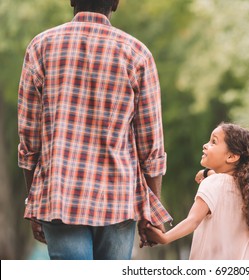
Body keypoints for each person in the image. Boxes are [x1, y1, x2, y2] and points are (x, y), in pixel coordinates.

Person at [17, 0, 171, 260]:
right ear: (116, 3)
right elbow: (151, 145)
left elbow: (29, 140)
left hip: (60, 199)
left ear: (71, 1)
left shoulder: (40, 47)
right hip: (119, 201)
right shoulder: (136, 53)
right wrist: (151, 210)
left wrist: (34, 202)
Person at [146, 122, 249, 259]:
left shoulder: (212, 184)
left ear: (231, 156)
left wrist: (165, 238)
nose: (205, 145)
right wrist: (207, 173)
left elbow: (193, 220)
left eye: (213, 142)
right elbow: (225, 182)